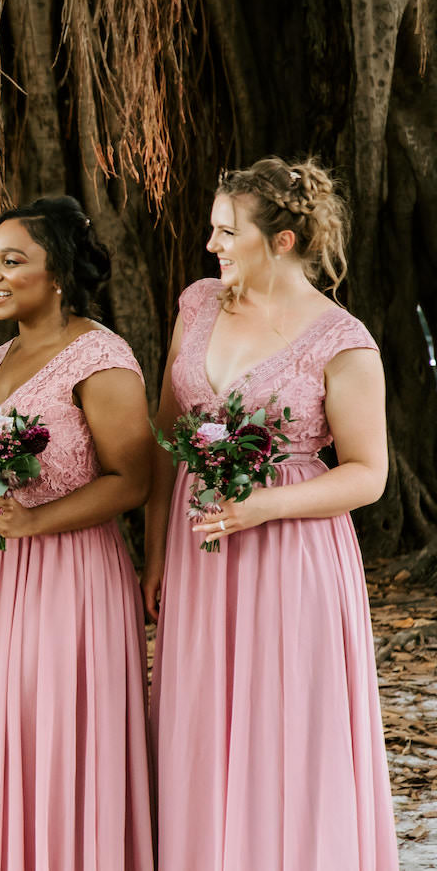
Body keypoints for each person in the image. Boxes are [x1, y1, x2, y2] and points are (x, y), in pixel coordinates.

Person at [146, 157, 397, 871]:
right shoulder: (197, 303)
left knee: (283, 729)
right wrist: (158, 551)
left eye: (228, 231)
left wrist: (265, 505)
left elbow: (369, 474)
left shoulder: (341, 341)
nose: (212, 244)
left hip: (293, 561)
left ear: (281, 242)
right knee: (201, 728)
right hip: (200, 554)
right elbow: (169, 431)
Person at [0, 196, 154, 870]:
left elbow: (132, 479)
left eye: (12, 260)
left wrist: (35, 520)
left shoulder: (100, 355)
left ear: (56, 271)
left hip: (71, 576)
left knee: (55, 733)